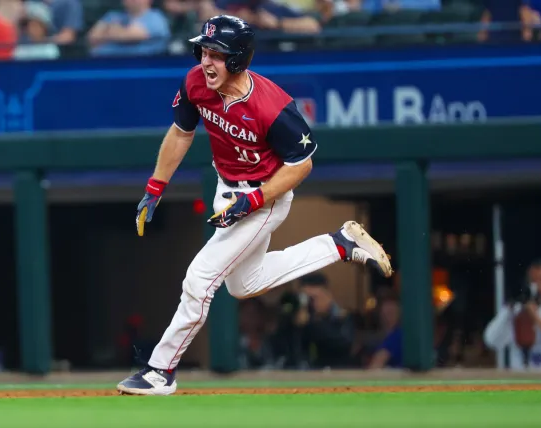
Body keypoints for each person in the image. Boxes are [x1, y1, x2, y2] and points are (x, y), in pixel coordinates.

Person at [116, 14, 393, 396]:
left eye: (216, 54)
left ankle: (160, 370)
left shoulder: (273, 107)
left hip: (266, 194)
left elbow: (302, 164)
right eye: (204, 51)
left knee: (200, 279)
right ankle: (339, 244)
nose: (206, 61)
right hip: (226, 186)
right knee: (246, 285)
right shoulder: (196, 81)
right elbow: (181, 133)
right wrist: (155, 186)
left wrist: (255, 200)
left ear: (238, 59)